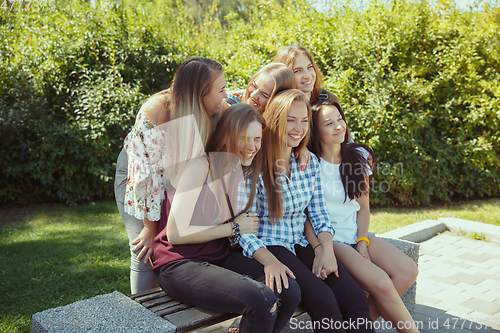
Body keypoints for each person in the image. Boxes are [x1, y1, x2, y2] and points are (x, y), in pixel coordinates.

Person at [153, 103, 301, 333]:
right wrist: (233, 228)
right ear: (226, 136)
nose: (252, 147)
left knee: (288, 290)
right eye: (245, 138)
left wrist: (271, 262)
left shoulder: (238, 171)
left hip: (219, 258)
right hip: (179, 263)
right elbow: (176, 234)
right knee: (262, 299)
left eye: (257, 139)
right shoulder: (201, 165)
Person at [238, 89, 374, 333]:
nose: (298, 128)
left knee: (355, 298)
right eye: (291, 119)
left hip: (301, 242)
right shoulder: (255, 166)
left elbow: (319, 214)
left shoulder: (307, 162)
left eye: (303, 121)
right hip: (271, 244)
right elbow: (243, 230)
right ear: (276, 120)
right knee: (325, 302)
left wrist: (326, 251)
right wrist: (269, 261)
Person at [114, 56, 228, 294]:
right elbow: (146, 179)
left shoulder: (216, 108)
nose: (226, 95)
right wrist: (149, 227)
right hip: (139, 175)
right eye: (221, 89)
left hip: (172, 175)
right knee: (145, 250)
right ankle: (144, 316)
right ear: (200, 94)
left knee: (168, 248)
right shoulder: (158, 111)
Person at [306, 100, 419, 333]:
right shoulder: (309, 163)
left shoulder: (357, 156)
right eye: (329, 123)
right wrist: (323, 247)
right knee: (381, 282)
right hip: (332, 239)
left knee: (408, 271)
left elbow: (363, 207)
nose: (339, 126)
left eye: (340, 119)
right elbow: (306, 215)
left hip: (354, 233)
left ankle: (356, 326)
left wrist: (363, 240)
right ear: (316, 131)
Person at [274, 44, 341, 105]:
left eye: (309, 67)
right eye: (298, 71)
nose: (308, 76)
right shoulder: (277, 104)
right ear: (284, 75)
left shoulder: (330, 99)